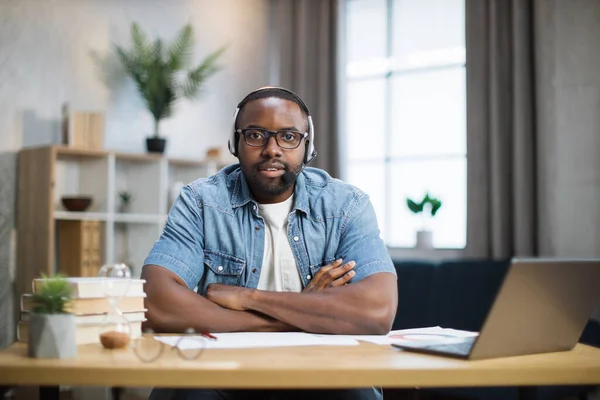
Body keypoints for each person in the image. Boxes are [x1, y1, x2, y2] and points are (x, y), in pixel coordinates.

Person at [142, 87, 398, 400]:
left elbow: (377, 311)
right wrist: (300, 315)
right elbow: (154, 300)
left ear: (308, 146)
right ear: (235, 143)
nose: (272, 149)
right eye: (256, 135)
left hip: (322, 371)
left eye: (289, 137)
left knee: (357, 394)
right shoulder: (201, 202)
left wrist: (249, 297)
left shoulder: (346, 205)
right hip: (221, 373)